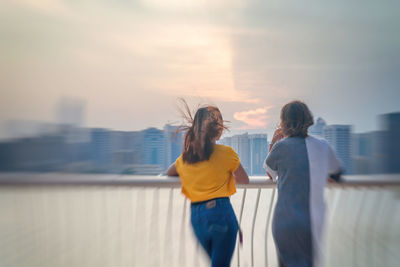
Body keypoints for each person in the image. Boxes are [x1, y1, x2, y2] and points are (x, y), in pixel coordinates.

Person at [167, 102, 249, 267]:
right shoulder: (227, 154)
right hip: (221, 213)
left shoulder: (186, 159)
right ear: (218, 130)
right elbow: (244, 179)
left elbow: (170, 172)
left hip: (197, 218)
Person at [263, 101, 342, 267]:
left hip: (284, 221)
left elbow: (270, 173)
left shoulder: (280, 146)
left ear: (283, 122)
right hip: (311, 222)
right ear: (308, 120)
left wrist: (274, 141)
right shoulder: (322, 145)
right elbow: (336, 172)